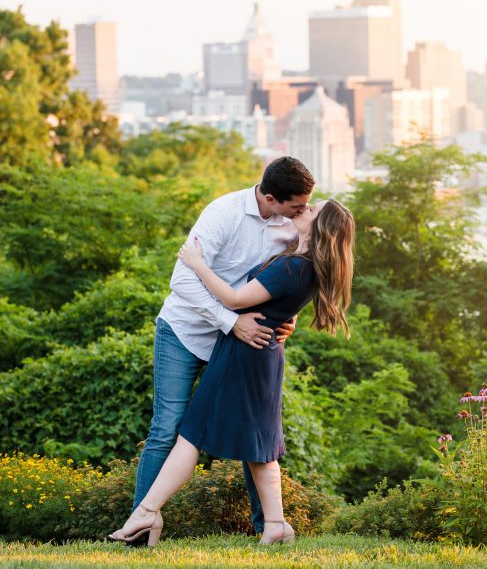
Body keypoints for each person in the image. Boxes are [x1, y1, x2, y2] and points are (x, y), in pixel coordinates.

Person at [110, 198, 355, 546]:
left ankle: (148, 512)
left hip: (243, 354)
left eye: (312, 210)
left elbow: (237, 300)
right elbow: (277, 300)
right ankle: (275, 524)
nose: (305, 209)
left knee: (193, 433)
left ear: (320, 229)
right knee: (259, 443)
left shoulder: (294, 267)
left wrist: (197, 263)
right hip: (260, 356)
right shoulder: (300, 263)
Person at [131, 157, 315, 540]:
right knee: (167, 430)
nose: (303, 211)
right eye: (296, 206)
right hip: (185, 332)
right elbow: (182, 279)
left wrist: (285, 316)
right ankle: (140, 524)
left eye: (305, 205)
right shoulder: (224, 213)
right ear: (270, 197)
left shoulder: (291, 226)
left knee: (251, 429)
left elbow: (287, 279)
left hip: (237, 344)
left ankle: (268, 526)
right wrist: (232, 322)